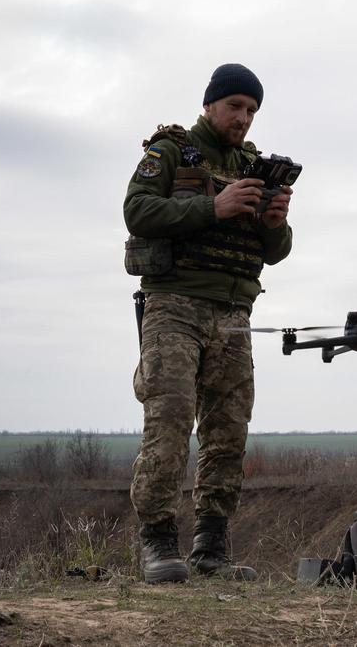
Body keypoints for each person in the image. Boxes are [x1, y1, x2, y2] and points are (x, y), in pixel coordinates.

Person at [122, 64, 293, 583]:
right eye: (235, 106)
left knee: (228, 432)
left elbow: (276, 251)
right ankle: (158, 542)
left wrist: (275, 224)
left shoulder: (253, 166)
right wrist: (213, 207)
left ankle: (211, 548)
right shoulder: (171, 152)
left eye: (252, 110)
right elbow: (137, 210)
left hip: (234, 315)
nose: (243, 118)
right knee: (170, 421)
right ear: (210, 104)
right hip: (175, 304)